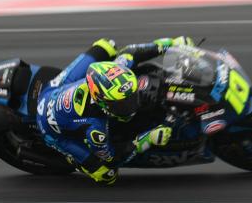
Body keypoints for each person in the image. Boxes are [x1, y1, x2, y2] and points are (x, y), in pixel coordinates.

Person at [36, 36, 194, 185]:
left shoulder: (118, 69)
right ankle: (75, 161)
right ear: (103, 103)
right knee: (107, 174)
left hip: (59, 86)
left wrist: (171, 44)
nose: (131, 105)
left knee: (107, 45)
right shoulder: (95, 129)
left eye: (131, 97)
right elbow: (113, 157)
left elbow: (131, 52)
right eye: (122, 104)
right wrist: (147, 139)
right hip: (49, 126)